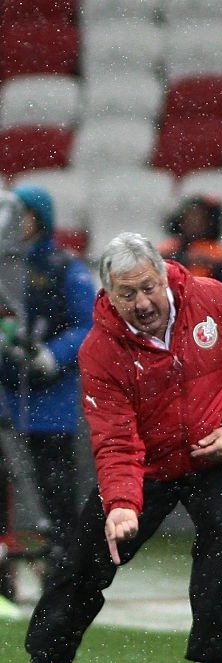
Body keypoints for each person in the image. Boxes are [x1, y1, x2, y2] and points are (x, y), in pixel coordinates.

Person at [12, 233, 222, 663]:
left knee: (221, 540)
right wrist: (120, 503)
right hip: (147, 466)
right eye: (127, 293)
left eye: (148, 287)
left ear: (164, 276)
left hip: (216, 454)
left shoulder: (213, 299)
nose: (142, 302)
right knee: (87, 555)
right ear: (109, 295)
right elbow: (115, 438)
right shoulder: (99, 349)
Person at [0, 186, 95, 599]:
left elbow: (89, 324)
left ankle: (65, 568)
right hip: (5, 392)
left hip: (49, 398)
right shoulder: (5, 267)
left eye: (22, 217)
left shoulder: (63, 268)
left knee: (56, 486)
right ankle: (7, 563)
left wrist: (51, 356)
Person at [158, 194, 222, 295]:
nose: (193, 223)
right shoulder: (169, 248)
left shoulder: (219, 253)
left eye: (200, 219)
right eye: (189, 218)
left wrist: (212, 266)